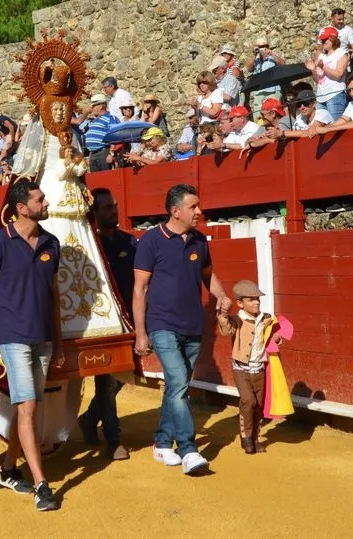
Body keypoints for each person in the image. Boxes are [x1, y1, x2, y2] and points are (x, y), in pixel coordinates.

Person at [0, 180, 62, 511]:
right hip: (13, 337)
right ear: (22, 208)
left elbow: (53, 296)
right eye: (40, 199)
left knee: (29, 409)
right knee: (28, 408)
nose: (46, 202)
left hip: (43, 338)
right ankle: (41, 484)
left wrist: (58, 341)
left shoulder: (51, 242)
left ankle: (8, 467)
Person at [132, 184, 231, 475]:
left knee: (177, 387)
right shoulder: (151, 241)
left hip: (193, 326)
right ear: (176, 212)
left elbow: (208, 277)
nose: (199, 211)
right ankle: (188, 449)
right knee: (178, 384)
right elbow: (140, 288)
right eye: (193, 207)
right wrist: (141, 332)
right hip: (162, 324)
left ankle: (162, 443)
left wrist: (222, 296)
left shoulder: (200, 241)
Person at [74, 188, 134, 460]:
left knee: (118, 379)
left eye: (115, 206)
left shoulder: (130, 243)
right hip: (101, 322)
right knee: (106, 381)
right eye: (108, 208)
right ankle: (114, 438)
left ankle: (89, 419)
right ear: (95, 212)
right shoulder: (89, 248)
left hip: (131, 322)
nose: (114, 211)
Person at [217, 280, 279, 455]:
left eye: (257, 299)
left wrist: (277, 338)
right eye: (251, 300)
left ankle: (256, 438)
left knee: (258, 405)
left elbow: (277, 332)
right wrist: (222, 314)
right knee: (248, 401)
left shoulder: (267, 318)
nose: (256, 302)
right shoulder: (237, 320)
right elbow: (225, 331)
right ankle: (246, 437)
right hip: (241, 369)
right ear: (240, 303)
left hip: (260, 368)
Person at [307, 26, 350, 121]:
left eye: (324, 39)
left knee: (336, 125)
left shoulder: (341, 53)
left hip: (335, 95)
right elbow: (318, 80)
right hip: (321, 97)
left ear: (332, 39)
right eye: (321, 40)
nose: (322, 42)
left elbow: (338, 74)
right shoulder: (322, 56)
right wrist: (313, 70)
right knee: (322, 127)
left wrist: (323, 67)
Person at [84, 93, 119, 172]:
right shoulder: (95, 120)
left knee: (106, 179)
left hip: (104, 153)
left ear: (101, 106)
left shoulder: (110, 118)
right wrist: (90, 155)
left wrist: (111, 154)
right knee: (96, 181)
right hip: (93, 154)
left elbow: (115, 136)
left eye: (94, 106)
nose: (92, 109)